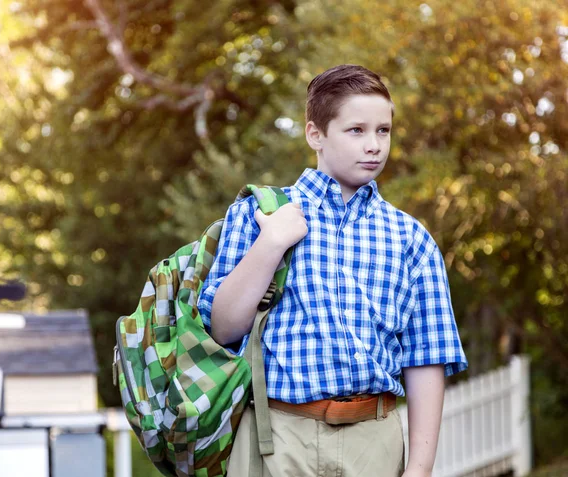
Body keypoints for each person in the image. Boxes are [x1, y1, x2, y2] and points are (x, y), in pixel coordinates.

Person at [197, 64, 468, 477]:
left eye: (383, 130)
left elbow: (426, 357)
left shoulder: (411, 239)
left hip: (374, 442)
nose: (374, 145)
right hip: (276, 437)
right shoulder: (258, 214)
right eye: (356, 130)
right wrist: (270, 244)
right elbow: (223, 328)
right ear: (315, 135)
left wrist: (420, 468)